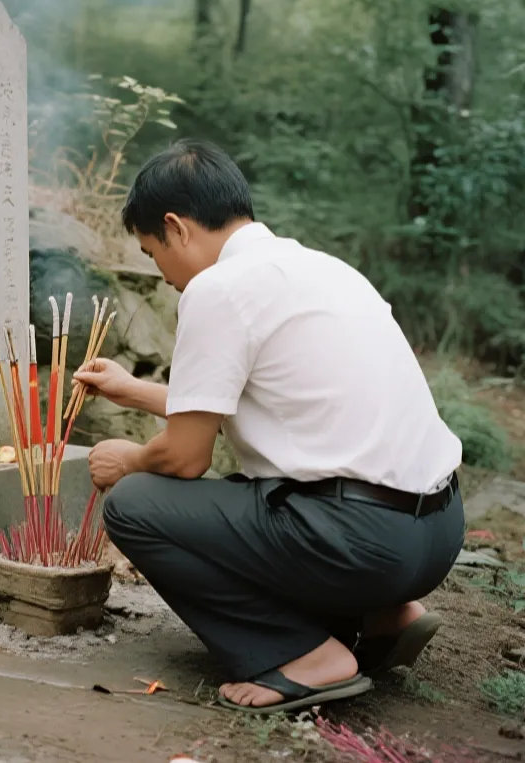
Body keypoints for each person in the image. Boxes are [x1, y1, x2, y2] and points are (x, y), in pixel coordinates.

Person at [74, 138, 464, 715]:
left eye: (153, 254)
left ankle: (301, 656)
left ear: (176, 228)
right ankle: (386, 616)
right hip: (435, 535)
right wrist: (132, 388)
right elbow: (259, 400)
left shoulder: (217, 289)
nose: (163, 275)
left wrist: (127, 459)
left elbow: (185, 457)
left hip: (364, 542)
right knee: (273, 497)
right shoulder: (322, 269)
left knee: (137, 504)